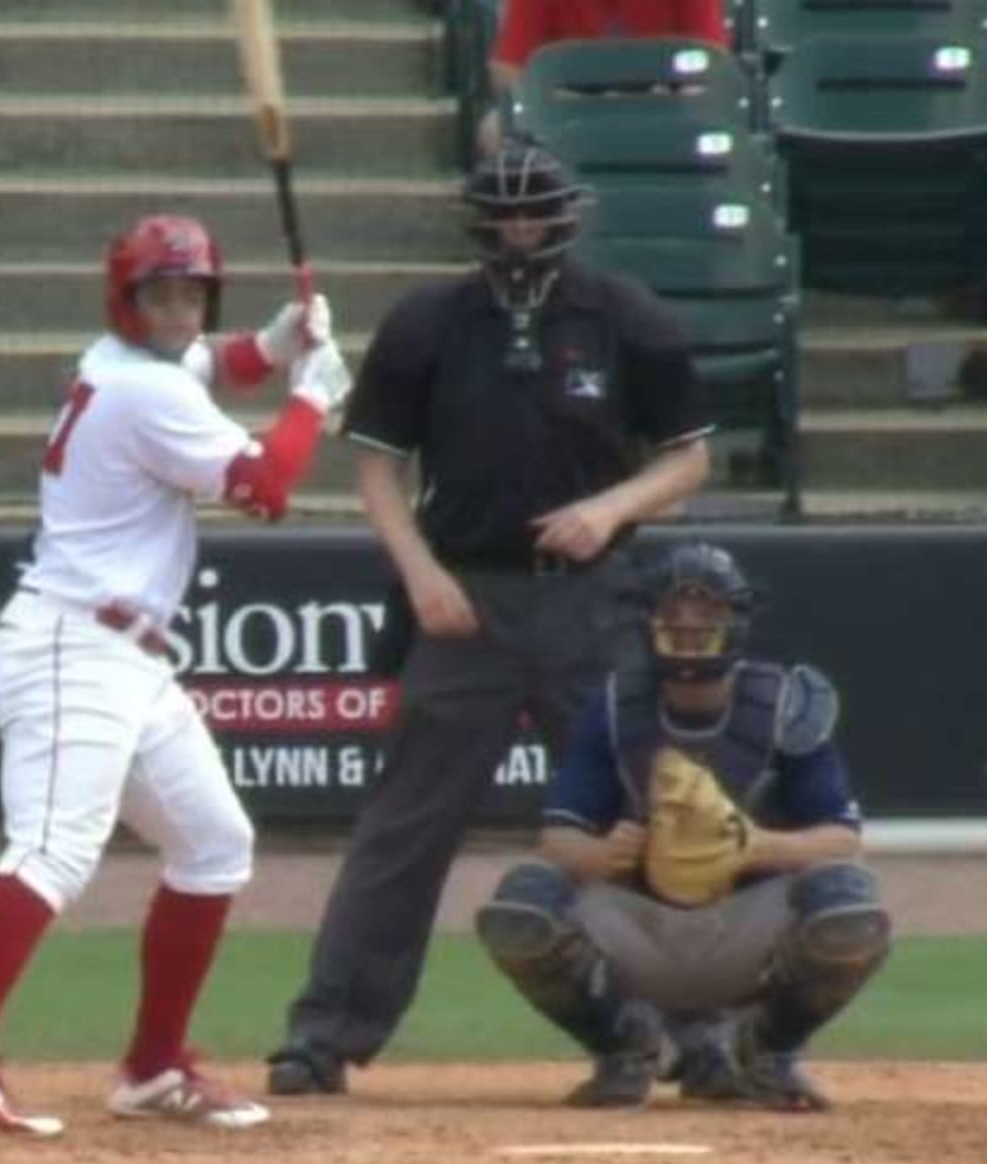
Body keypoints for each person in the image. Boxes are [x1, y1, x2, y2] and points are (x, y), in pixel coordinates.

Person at [266, 143, 712, 1098]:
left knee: (639, 819)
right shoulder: (430, 321)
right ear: (476, 224)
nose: (519, 235)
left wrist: (613, 509)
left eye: (533, 216)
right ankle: (328, 1034)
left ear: (566, 217)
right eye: (502, 219)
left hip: (587, 600)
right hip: (464, 598)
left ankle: (698, 1031)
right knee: (404, 827)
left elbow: (689, 460)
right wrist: (419, 570)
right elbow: (379, 467)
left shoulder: (621, 314)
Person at [0, 214, 350, 1137]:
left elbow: (216, 365)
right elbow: (267, 488)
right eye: (161, 293)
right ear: (126, 298)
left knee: (216, 844)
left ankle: (151, 1068)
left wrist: (275, 344)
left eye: (192, 292)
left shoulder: (126, 363)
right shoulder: (144, 393)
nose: (179, 308)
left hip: (126, 656)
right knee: (54, 853)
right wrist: (314, 396)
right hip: (76, 646)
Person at [470, 543, 892, 1110]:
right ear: (647, 623)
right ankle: (626, 1045)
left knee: (849, 903)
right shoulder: (618, 707)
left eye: (707, 615)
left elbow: (841, 837)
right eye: (673, 615)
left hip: (747, 922)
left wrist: (752, 846)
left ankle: (765, 1049)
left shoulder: (784, 704)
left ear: (735, 621)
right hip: (641, 923)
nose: (689, 629)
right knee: (524, 900)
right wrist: (601, 855)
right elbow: (558, 836)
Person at [479, 0, 732, 154]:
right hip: (570, 109)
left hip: (663, 108)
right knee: (495, 129)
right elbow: (507, 70)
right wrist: (560, 101)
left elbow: (714, 65)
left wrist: (674, 100)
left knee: (715, 125)